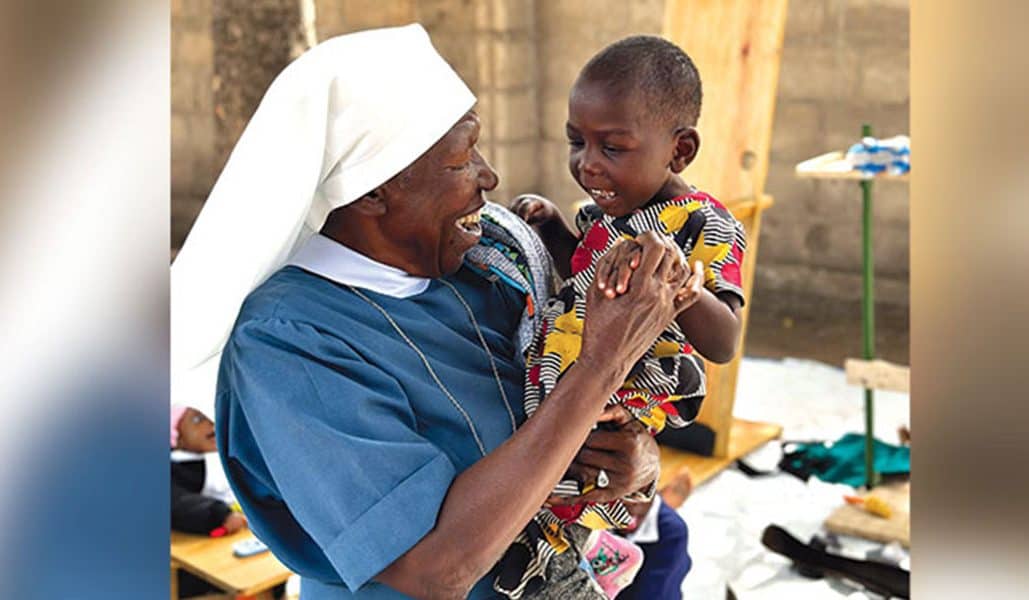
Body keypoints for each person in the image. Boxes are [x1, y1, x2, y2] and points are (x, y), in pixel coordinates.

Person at [170, 24, 702, 600]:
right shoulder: (289, 343)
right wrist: (600, 366)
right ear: (373, 192)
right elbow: (435, 568)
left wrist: (634, 467)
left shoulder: (489, 264)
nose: (489, 177)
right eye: (460, 160)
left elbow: (578, 431)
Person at [504, 35, 748, 598]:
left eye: (611, 147)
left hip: (632, 385)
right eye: (575, 142)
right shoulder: (605, 215)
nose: (587, 164)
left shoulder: (702, 226)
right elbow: (586, 272)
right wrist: (551, 230)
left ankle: (588, 557)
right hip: (572, 362)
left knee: (569, 477)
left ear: (679, 151)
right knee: (545, 460)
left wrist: (683, 287)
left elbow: (725, 339)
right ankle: (601, 554)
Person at [170, 404, 249, 598]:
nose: (209, 424)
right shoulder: (175, 468)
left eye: (210, 417)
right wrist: (220, 514)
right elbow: (176, 502)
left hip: (237, 542)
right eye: (197, 420)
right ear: (177, 438)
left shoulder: (224, 457)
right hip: (195, 561)